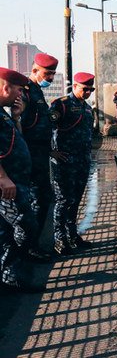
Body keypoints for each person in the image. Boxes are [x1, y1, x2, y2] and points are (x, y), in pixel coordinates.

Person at [0, 67, 46, 292]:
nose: (20, 95)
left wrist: (17, 118)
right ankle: (12, 271)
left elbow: (14, 139)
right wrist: (3, 177)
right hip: (7, 185)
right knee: (25, 224)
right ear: (5, 87)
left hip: (17, 181)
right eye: (18, 90)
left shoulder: (5, 113)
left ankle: (12, 277)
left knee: (7, 232)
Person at [49, 72, 95, 255]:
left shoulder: (87, 107)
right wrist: (51, 151)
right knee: (63, 201)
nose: (87, 93)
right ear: (75, 86)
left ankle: (73, 236)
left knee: (75, 201)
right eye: (85, 89)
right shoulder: (61, 104)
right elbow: (47, 128)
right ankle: (59, 240)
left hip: (82, 162)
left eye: (90, 89)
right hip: (64, 162)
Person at [21, 53, 58, 257]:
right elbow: (20, 127)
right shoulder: (25, 92)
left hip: (40, 156)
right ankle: (30, 249)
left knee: (43, 200)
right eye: (47, 73)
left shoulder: (36, 92)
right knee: (36, 202)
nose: (50, 78)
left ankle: (33, 246)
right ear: (35, 71)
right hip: (30, 159)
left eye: (52, 74)